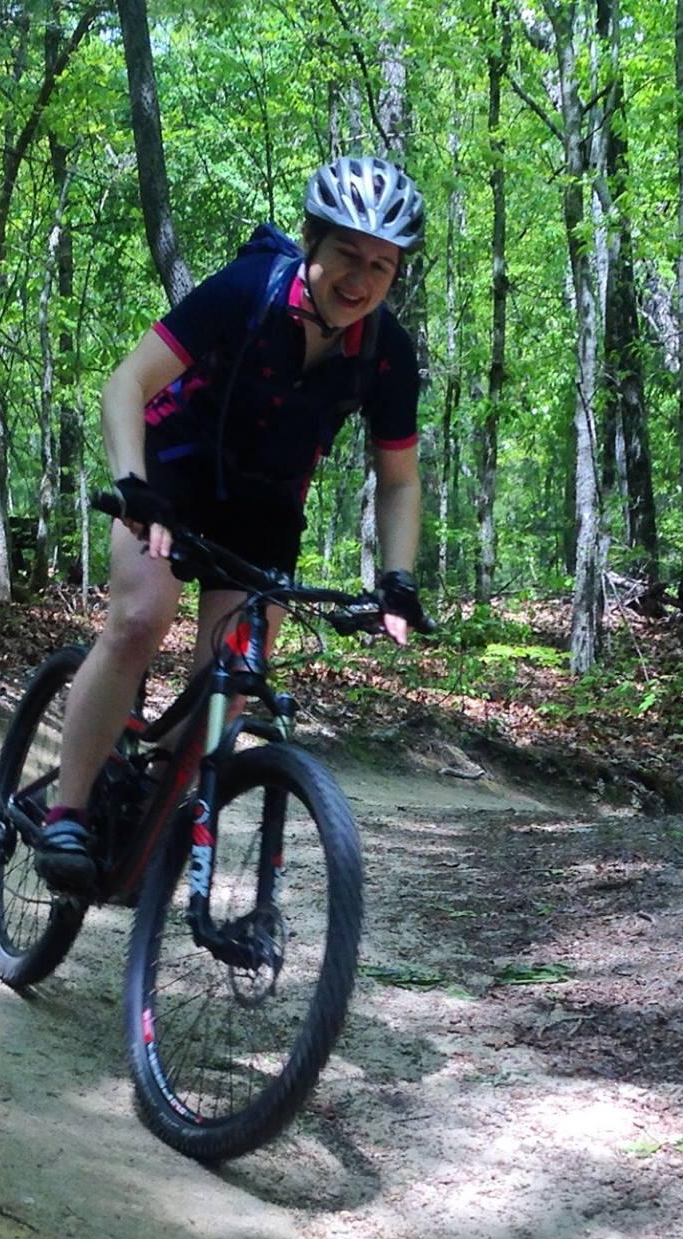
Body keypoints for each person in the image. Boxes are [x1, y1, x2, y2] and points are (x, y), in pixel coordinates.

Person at [35, 156, 432, 892]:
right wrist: (132, 485)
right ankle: (68, 809)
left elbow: (399, 479)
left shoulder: (386, 354)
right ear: (312, 241)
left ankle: (155, 802)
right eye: (347, 253)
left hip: (265, 508)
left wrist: (397, 582)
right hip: (170, 473)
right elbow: (126, 383)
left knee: (232, 678)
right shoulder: (247, 291)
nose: (360, 279)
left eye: (382, 266)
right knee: (141, 618)